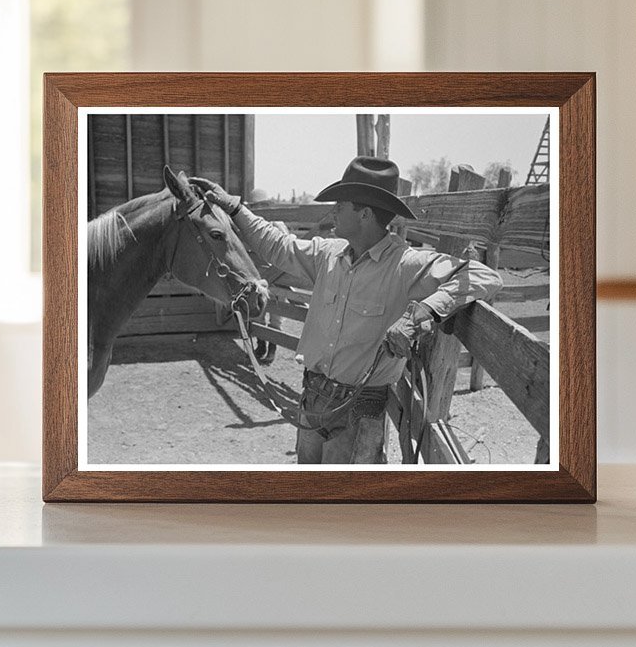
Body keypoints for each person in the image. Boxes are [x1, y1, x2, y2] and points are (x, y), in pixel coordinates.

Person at [191, 157, 503, 464]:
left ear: (365, 214)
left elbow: (485, 276)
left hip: (359, 409)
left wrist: (424, 311)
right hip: (313, 396)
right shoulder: (328, 254)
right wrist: (234, 208)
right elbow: (277, 244)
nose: (334, 210)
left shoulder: (405, 265)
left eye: (341, 204)